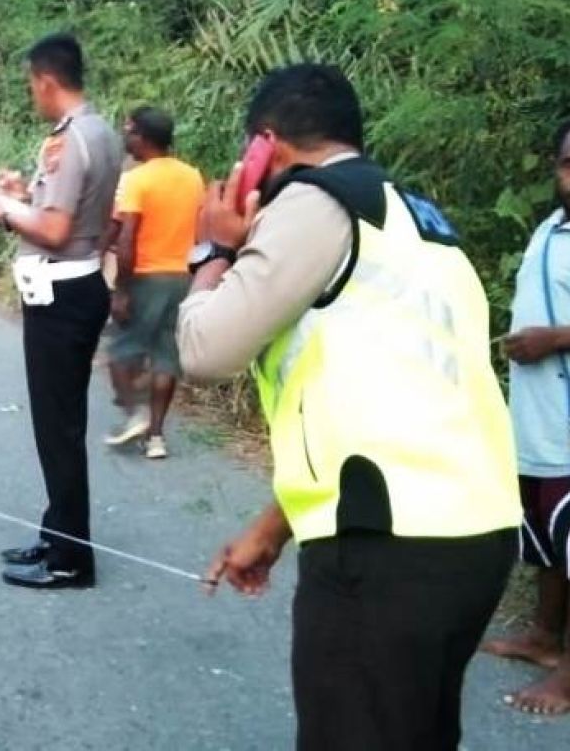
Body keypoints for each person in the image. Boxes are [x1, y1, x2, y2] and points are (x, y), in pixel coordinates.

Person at [177, 63, 521, 749]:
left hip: (386, 552)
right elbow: (392, 402)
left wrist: (214, 249)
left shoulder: (314, 204)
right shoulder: (418, 222)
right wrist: (275, 529)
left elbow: (204, 350)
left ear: (262, 147)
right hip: (473, 536)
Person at [0, 33, 122, 589]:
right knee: (60, 425)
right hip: (78, 287)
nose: (32, 95)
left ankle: (70, 559)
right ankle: (57, 534)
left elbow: (57, 230)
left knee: (57, 430)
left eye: (31, 85)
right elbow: (81, 212)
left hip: (60, 296)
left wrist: (4, 212)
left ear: (46, 81)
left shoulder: (68, 142)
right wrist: (24, 194)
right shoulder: (102, 132)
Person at [480, 119, 570, 717]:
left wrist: (556, 338)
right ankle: (543, 636)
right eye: (568, 162)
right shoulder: (549, 230)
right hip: (537, 422)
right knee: (547, 544)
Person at [98, 107, 204, 459]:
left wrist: (122, 289)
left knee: (118, 353)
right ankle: (155, 438)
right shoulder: (192, 177)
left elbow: (127, 239)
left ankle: (135, 413)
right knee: (164, 358)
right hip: (183, 277)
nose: (125, 137)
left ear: (142, 137)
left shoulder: (137, 180)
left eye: (129, 131)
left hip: (146, 277)